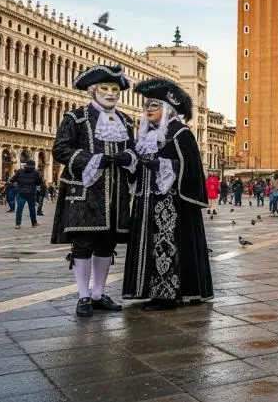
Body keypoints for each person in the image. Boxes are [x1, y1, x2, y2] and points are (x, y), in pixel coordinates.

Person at [51, 64, 137, 317]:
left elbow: (134, 149)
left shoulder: (125, 121)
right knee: (83, 244)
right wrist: (90, 159)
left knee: (106, 244)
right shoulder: (75, 118)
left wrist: (129, 157)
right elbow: (60, 150)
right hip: (85, 193)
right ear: (92, 91)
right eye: (105, 88)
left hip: (116, 193)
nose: (111, 93)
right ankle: (83, 296)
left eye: (114, 89)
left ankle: (99, 294)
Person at [122, 78, 213, 310]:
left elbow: (190, 167)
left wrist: (162, 165)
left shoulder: (180, 133)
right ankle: (147, 290)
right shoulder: (145, 135)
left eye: (155, 105)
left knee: (164, 245)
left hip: (170, 203)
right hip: (145, 201)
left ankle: (167, 294)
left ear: (168, 108)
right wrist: (131, 162)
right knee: (147, 244)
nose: (148, 110)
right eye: (147, 106)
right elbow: (138, 164)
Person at [9, 160, 45, 229]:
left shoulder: (19, 171)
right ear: (34, 165)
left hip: (21, 192)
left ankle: (18, 224)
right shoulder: (36, 172)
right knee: (32, 208)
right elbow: (40, 182)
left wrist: (18, 183)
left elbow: (12, 180)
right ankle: (34, 223)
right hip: (31, 193)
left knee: (19, 208)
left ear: (26, 164)